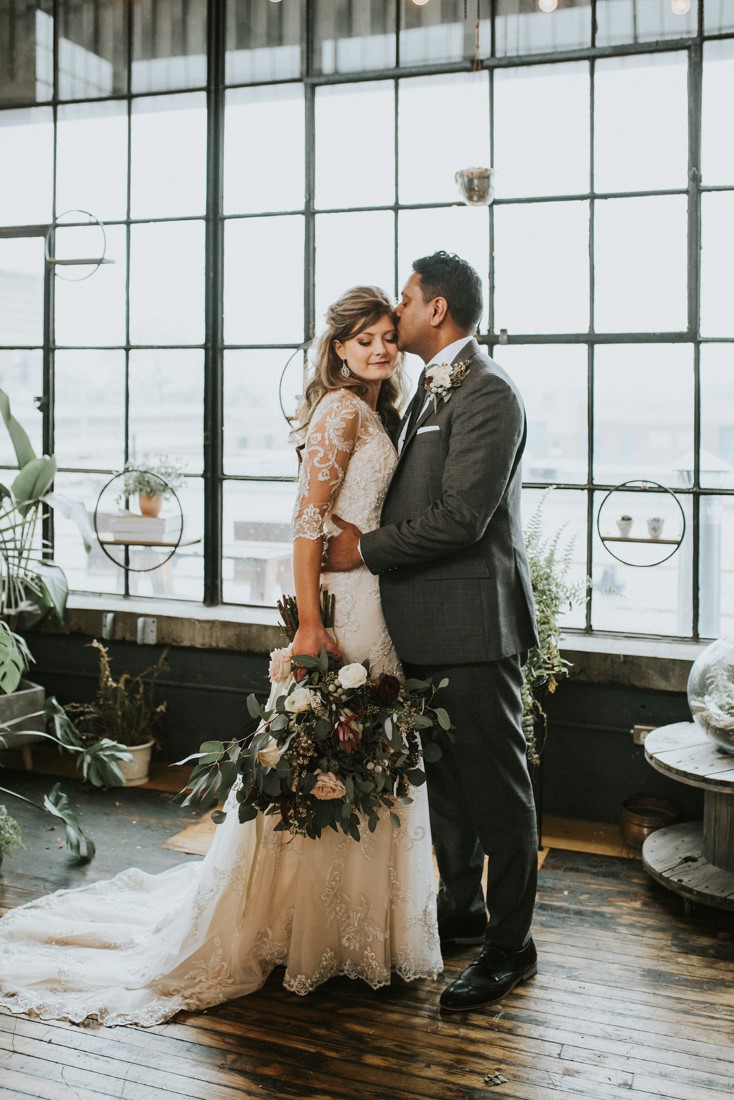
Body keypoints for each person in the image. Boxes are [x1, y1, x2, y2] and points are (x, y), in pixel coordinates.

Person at [0, 286, 442, 1028]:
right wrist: (309, 625)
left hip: (376, 604)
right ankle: (295, 925)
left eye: (387, 338)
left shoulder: (374, 410)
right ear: (337, 348)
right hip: (342, 606)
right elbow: (305, 525)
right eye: (363, 338)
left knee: (358, 760)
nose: (378, 349)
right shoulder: (339, 410)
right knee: (321, 759)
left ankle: (348, 929)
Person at [325, 252, 539, 1012]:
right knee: (446, 787)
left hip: (475, 630)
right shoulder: (421, 389)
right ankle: (463, 908)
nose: (398, 313)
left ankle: (513, 948)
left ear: (437, 310)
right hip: (421, 629)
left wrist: (363, 551)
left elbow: (462, 517)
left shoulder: (488, 391)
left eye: (407, 300)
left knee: (498, 792)